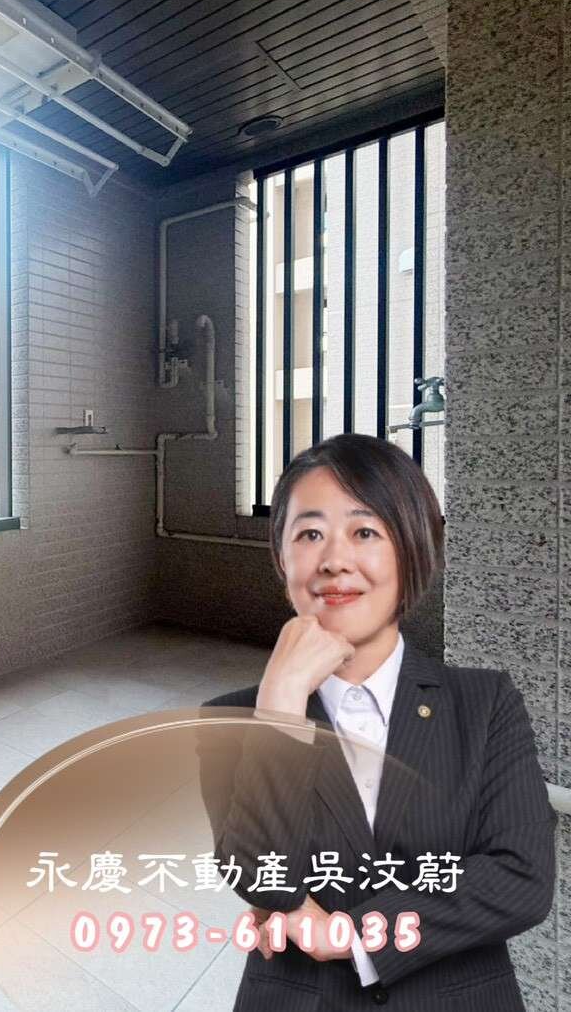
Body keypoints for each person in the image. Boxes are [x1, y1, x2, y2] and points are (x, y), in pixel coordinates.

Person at [196, 433, 555, 1011]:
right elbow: (267, 882)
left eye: (365, 532)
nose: (335, 560)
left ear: (411, 550)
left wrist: (353, 937)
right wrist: (281, 701)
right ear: (283, 560)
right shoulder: (229, 720)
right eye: (309, 534)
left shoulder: (485, 702)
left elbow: (522, 880)